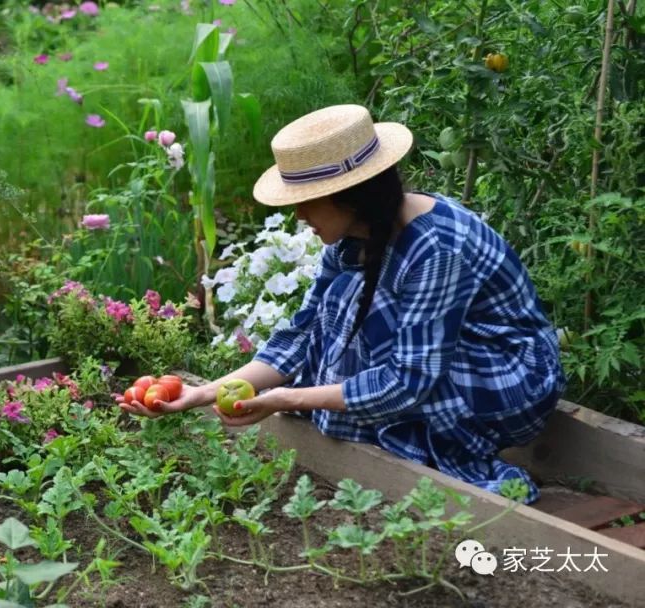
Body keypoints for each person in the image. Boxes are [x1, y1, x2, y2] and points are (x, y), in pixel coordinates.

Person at [120, 104, 565, 504]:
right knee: (340, 318)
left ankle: (456, 455)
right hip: (446, 363)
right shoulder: (357, 239)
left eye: (307, 202)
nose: (299, 216)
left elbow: (409, 381)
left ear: (351, 196)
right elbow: (301, 333)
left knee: (356, 327)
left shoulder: (436, 248)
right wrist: (204, 392)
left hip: (510, 378)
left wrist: (289, 399)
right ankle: (404, 433)